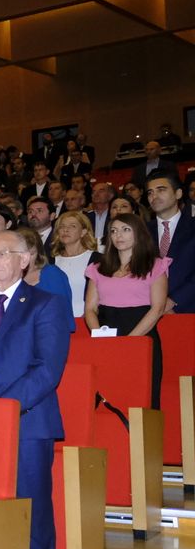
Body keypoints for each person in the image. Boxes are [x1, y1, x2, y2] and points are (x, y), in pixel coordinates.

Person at [0, 231, 71, 549]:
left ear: (25, 259)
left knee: (32, 499)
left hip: (28, 419)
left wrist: (3, 409)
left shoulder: (46, 304)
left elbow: (48, 369)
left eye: (2, 254)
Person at [85, 214, 170, 404]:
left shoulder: (155, 265)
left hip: (141, 334)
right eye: (114, 231)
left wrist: (130, 342)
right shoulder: (98, 268)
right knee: (106, 395)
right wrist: (99, 335)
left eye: (125, 230)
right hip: (107, 336)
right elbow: (90, 309)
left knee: (142, 397)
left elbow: (157, 308)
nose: (118, 236)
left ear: (138, 233)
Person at [144, 169, 193, 312]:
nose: (154, 196)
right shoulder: (141, 231)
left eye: (161, 190)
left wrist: (173, 300)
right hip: (146, 310)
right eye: (150, 192)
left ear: (178, 193)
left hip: (188, 309)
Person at [50, 210, 100, 317]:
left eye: (72, 226)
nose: (65, 230)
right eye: (62, 226)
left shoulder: (97, 259)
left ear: (83, 232)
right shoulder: (50, 261)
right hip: (56, 322)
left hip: (86, 321)